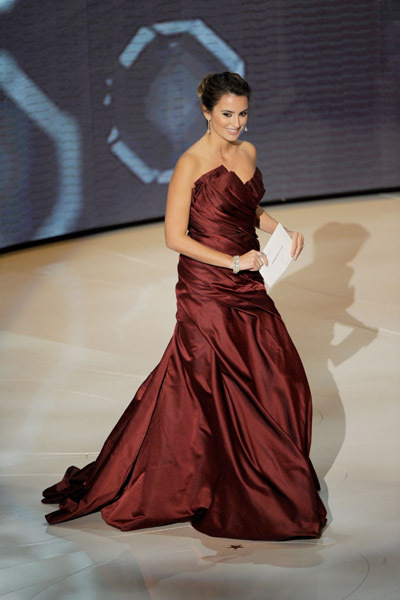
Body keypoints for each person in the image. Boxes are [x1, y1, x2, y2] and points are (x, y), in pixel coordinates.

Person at [42, 72, 327, 540]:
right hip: (208, 287)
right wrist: (234, 261)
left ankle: (262, 472)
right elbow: (175, 237)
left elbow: (247, 209)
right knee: (215, 381)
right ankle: (222, 480)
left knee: (279, 377)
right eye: (227, 115)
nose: (237, 123)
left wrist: (280, 229)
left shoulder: (248, 153)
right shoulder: (190, 163)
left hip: (248, 281)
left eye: (243, 113)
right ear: (207, 113)